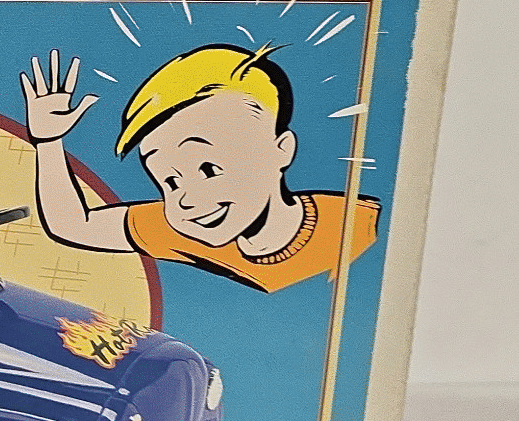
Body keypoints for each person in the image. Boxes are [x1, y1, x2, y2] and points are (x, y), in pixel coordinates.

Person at [21, 43, 379, 294]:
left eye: (209, 169)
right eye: (170, 182)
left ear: (281, 150)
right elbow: (74, 225)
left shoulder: (357, 228)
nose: (187, 200)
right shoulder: (181, 228)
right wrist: (48, 142)